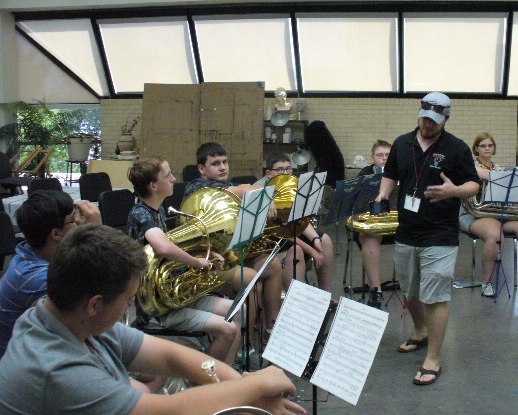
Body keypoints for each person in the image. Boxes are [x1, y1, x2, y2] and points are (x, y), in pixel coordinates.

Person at [0, 223, 305, 415]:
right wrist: (254, 387)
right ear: (94, 304)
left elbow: (171, 357)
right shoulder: (56, 370)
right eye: (128, 299)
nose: (130, 305)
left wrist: (242, 384)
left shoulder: (67, 318)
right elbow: (167, 410)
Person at [376, 92, 480, 386]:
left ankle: (433, 358)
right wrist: (383, 193)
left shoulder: (456, 148)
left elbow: (473, 184)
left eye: (434, 120)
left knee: (435, 296)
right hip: (407, 230)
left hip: (440, 232)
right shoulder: (402, 143)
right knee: (410, 291)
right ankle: (420, 331)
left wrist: (454, 191)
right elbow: (391, 173)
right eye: (424, 118)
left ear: (445, 119)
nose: (428, 124)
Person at [127, 156, 240, 366]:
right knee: (228, 329)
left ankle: (228, 372)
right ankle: (205, 379)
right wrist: (196, 262)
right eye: (167, 175)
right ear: (153, 186)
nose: (173, 178)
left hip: (173, 298)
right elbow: (162, 247)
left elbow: (170, 250)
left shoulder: (159, 210)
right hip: (157, 308)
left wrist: (205, 254)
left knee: (238, 311)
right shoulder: (140, 213)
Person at [184, 142, 284, 345]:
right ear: (202, 169)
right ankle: (243, 345)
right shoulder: (198, 186)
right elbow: (244, 189)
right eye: (215, 164)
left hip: (228, 254)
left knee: (273, 265)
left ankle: (271, 329)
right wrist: (266, 196)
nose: (223, 167)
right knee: (250, 279)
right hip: (206, 262)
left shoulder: (226, 185)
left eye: (225, 162)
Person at [0, 190, 101, 359]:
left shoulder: (30, 250)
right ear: (56, 234)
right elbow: (93, 317)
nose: (79, 223)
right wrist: (95, 233)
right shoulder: (38, 278)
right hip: (23, 365)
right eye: (73, 220)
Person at [459, 132, 518, 297]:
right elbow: (483, 176)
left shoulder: (498, 168)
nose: (487, 148)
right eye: (483, 146)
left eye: (490, 145)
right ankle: (487, 282)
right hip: (472, 214)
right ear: (476, 149)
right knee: (496, 236)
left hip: (497, 213)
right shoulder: (469, 165)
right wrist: (513, 178)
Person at [262, 153, 335, 293]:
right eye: (280, 169)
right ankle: (297, 298)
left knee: (325, 240)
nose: (285, 173)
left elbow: (300, 219)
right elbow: (281, 232)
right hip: (275, 237)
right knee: (297, 250)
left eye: (288, 168)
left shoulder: (292, 187)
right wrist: (312, 251)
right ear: (269, 173)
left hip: (291, 230)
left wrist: (315, 239)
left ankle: (326, 295)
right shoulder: (265, 191)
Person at [355, 140, 393, 308]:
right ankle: (376, 291)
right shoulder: (365, 174)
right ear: (372, 158)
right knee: (369, 238)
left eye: (388, 155)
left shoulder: (401, 172)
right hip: (373, 222)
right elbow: (357, 205)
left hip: (397, 222)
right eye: (380, 155)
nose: (384, 158)